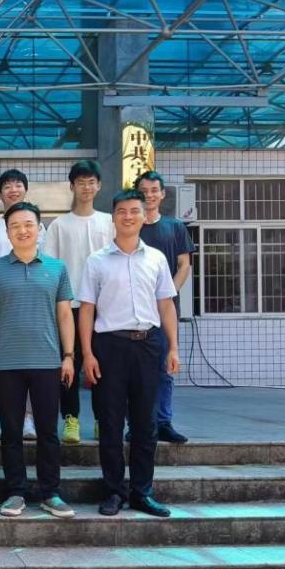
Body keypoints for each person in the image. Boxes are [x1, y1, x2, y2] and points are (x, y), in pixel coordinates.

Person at [78, 190, 179, 518]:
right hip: (110, 347)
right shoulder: (96, 261)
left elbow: (166, 304)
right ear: (113, 217)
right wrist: (87, 354)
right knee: (109, 422)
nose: (128, 216)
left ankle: (142, 492)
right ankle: (113, 491)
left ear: (144, 215)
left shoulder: (156, 259)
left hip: (148, 345)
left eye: (134, 211)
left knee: (145, 423)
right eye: (121, 211)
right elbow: (86, 309)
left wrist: (173, 347)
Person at [0, 202, 76, 519]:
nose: (22, 230)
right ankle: (15, 492)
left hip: (47, 361)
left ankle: (51, 492)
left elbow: (65, 315)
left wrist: (68, 355)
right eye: (15, 225)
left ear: (39, 229)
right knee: (11, 432)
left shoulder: (57, 268)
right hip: (6, 362)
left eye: (28, 224)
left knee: (48, 431)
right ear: (7, 232)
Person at [42, 160, 114, 444]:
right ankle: (70, 419)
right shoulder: (59, 225)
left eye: (91, 182)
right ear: (71, 186)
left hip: (105, 306)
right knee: (69, 363)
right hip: (70, 307)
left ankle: (101, 419)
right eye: (80, 182)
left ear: (99, 186)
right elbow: (50, 267)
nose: (86, 187)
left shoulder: (109, 222)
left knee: (103, 366)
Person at [0, 171, 43, 441]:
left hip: (32, 305)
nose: (13, 190)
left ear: (25, 189)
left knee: (33, 364)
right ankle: (3, 419)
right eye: (7, 186)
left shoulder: (39, 227)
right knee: (2, 366)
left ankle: (29, 419)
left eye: (18, 185)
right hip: (0, 306)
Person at [135, 170, 194, 444]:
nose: (149, 195)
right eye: (143, 191)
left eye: (153, 190)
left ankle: (164, 422)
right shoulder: (130, 226)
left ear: (162, 194)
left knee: (165, 367)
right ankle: (137, 423)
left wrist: (166, 293)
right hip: (135, 311)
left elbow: (184, 266)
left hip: (165, 309)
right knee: (136, 372)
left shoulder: (175, 227)